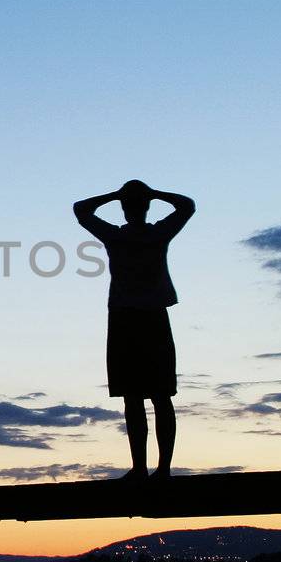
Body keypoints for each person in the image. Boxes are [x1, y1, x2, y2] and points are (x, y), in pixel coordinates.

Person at [74, 180, 195, 480]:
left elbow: (81, 210)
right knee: (158, 395)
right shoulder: (156, 234)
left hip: (127, 317)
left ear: (126, 208)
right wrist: (152, 194)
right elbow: (187, 205)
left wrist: (116, 195)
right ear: (146, 207)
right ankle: (158, 468)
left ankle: (145, 467)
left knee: (138, 397)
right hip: (149, 316)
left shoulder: (116, 236)